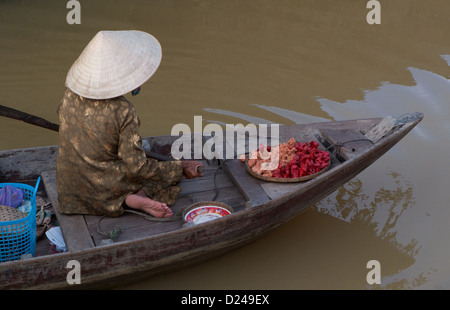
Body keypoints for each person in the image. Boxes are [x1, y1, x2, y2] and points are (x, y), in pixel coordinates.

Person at [56, 30, 203, 218]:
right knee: (160, 177)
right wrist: (179, 167)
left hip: (70, 188)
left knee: (105, 163)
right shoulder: (122, 110)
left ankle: (130, 200)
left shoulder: (69, 94)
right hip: (106, 187)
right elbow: (137, 167)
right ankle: (132, 196)